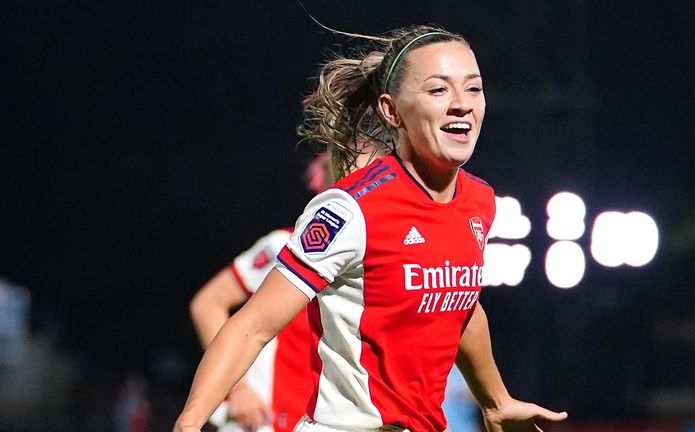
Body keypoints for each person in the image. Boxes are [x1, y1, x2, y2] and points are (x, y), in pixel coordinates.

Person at [174, 25, 567, 432]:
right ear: (391, 110)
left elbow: (459, 303)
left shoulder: (479, 201)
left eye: (473, 88)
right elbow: (251, 326)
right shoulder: (350, 209)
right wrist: (190, 423)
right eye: (438, 90)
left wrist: (496, 401)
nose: (461, 105)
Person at [188, 156, 330, 432]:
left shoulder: (380, 259)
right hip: (265, 422)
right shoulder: (284, 245)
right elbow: (207, 303)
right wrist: (238, 389)